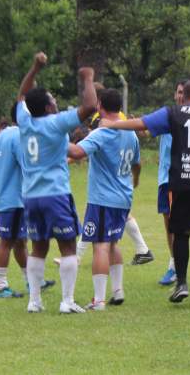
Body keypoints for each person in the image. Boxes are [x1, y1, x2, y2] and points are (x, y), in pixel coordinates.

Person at [102, 80, 190, 304]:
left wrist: (111, 125)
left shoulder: (172, 113)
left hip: (182, 182)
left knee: (181, 234)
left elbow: (140, 124)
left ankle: (182, 283)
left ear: (183, 96)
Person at [17, 52, 97, 314]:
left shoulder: (25, 122)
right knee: (67, 246)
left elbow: (22, 95)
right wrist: (87, 78)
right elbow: (89, 107)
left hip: (30, 195)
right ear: (50, 107)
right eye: (53, 98)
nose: (55, 101)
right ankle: (66, 300)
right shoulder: (56, 123)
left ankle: (34, 301)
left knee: (38, 246)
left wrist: (35, 67)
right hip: (55, 194)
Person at [67, 89, 140, 311]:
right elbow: (137, 163)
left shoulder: (102, 132)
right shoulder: (131, 133)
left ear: (99, 105)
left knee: (100, 245)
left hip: (102, 199)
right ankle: (117, 291)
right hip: (123, 198)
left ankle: (98, 300)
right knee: (112, 243)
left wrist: (52, 139)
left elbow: (78, 153)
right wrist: (133, 181)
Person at [0, 103, 54, 299]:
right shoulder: (20, 136)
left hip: (2, 197)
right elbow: (27, 166)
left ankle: (33, 281)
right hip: (16, 199)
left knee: (20, 241)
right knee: (7, 241)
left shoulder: (0, 136)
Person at [156, 80, 186, 286]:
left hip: (187, 178)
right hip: (166, 179)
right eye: (179, 92)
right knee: (170, 226)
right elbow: (146, 127)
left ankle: (180, 269)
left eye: (185, 92)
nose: (181, 96)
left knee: (186, 228)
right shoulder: (167, 116)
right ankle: (174, 265)